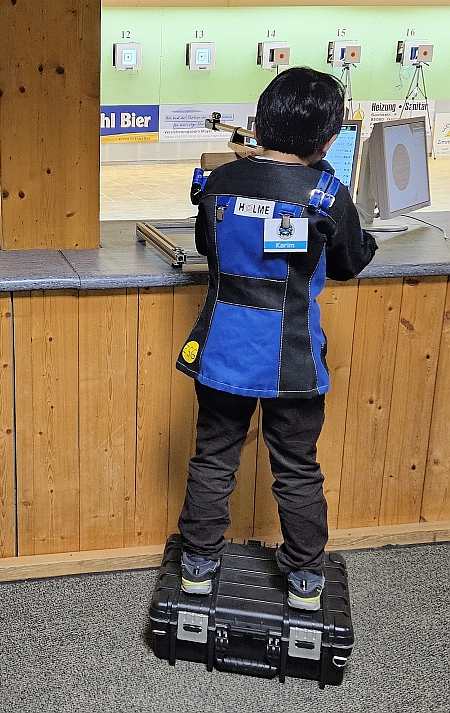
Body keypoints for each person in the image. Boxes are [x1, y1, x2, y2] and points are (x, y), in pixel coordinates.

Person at [176, 67, 377, 610]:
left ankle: (197, 567)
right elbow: (350, 263)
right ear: (328, 140)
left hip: (222, 350)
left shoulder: (218, 183)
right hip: (293, 358)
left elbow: (207, 246)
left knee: (213, 458)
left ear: (259, 125)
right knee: (296, 468)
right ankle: (306, 578)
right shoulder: (327, 193)